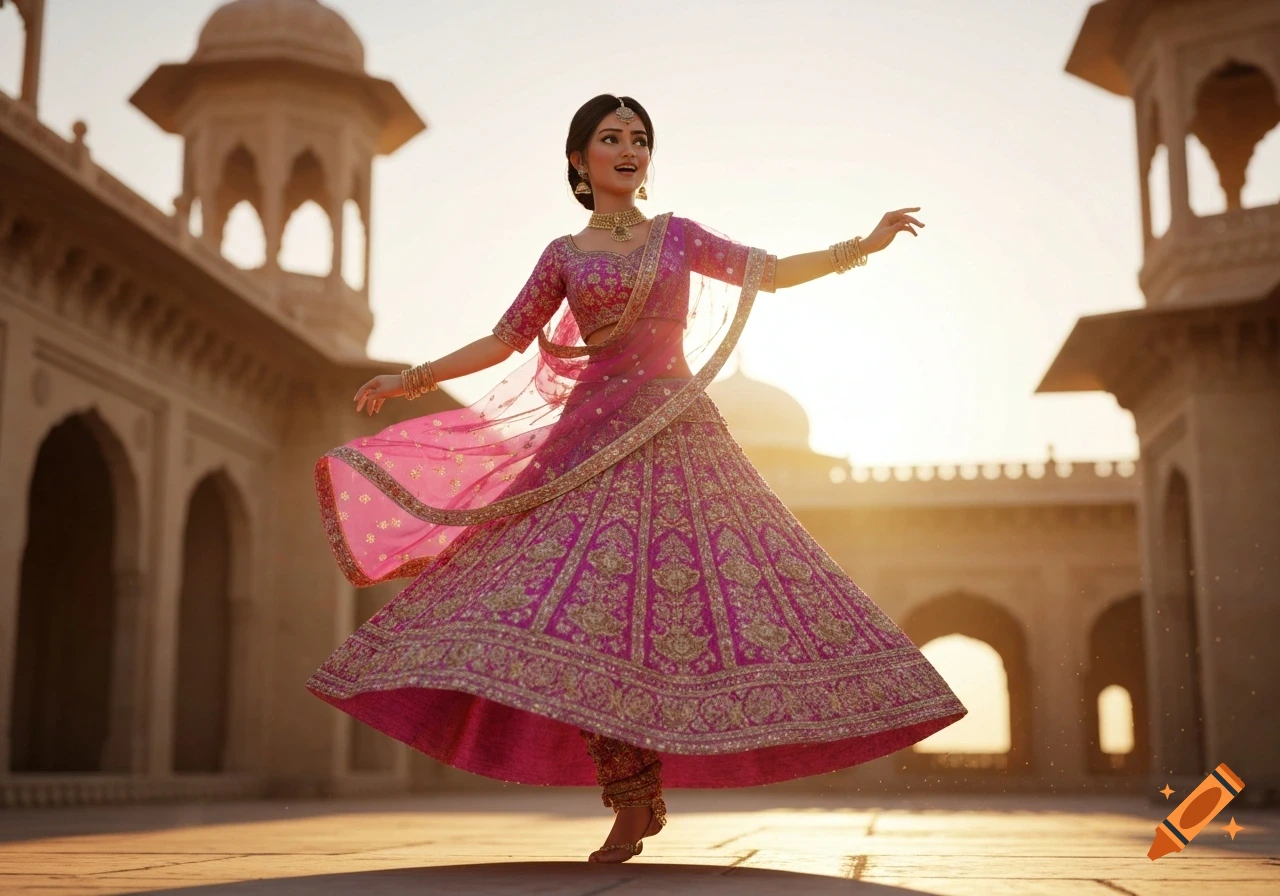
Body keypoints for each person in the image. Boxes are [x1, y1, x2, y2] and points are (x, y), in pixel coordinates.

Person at [308, 94, 966, 864]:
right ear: (579, 160)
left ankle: (651, 787)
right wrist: (411, 378)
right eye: (610, 137)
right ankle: (630, 797)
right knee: (578, 613)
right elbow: (503, 339)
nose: (628, 149)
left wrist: (864, 244)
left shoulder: (678, 237)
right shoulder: (563, 254)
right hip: (584, 447)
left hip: (678, 436)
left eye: (640, 139)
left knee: (718, 601)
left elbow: (772, 274)